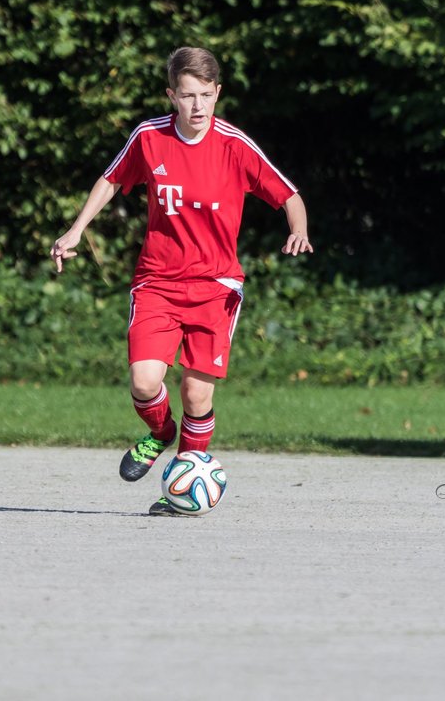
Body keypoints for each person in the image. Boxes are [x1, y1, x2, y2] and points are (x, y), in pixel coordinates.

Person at [51, 47, 312, 514]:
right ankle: (160, 434)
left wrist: (299, 230)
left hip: (216, 287)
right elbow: (111, 179)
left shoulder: (235, 145)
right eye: (187, 96)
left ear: (218, 94)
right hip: (157, 281)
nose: (197, 106)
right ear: (171, 95)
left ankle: (184, 480)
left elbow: (288, 194)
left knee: (196, 392)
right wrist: (77, 229)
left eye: (205, 96)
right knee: (145, 379)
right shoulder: (150, 138)